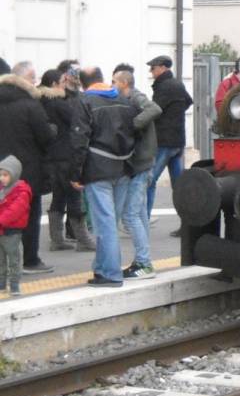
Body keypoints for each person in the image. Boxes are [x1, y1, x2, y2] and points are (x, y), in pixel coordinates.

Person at [70, 67, 141, 287]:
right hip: (123, 169)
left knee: (105, 225)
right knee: (110, 222)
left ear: (83, 84)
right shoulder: (124, 100)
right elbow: (135, 133)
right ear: (102, 79)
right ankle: (101, 269)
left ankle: (111, 274)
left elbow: (79, 140)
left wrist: (76, 174)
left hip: (97, 169)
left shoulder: (84, 102)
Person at [0, 63, 55, 275]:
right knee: (29, 213)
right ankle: (30, 260)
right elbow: (46, 137)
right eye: (34, 79)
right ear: (27, 79)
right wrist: (53, 128)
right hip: (27, 170)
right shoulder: (30, 105)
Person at [112, 66, 161, 278]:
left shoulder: (135, 96)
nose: (111, 85)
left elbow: (155, 109)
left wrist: (133, 125)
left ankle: (144, 263)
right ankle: (143, 260)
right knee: (139, 214)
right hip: (142, 164)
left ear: (124, 83)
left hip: (141, 165)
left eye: (114, 82)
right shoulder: (128, 100)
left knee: (130, 216)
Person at [39, 70, 96, 251]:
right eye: (63, 80)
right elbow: (77, 120)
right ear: (55, 84)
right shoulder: (59, 104)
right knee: (74, 196)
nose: (65, 83)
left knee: (58, 197)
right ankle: (83, 240)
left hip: (51, 157)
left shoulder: (41, 101)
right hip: (65, 156)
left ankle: (57, 240)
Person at [146, 55, 193, 220]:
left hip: (164, 141)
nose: (151, 71)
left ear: (162, 68)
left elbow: (155, 110)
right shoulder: (178, 84)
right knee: (179, 186)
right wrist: (175, 114)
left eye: (153, 68)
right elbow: (188, 101)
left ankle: (143, 219)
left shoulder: (164, 86)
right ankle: (188, 224)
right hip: (178, 141)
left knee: (149, 182)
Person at [0, 155, 31, 297]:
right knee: (0, 259)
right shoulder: (1, 189)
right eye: (0, 174)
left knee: (14, 258)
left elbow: (14, 211)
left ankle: (14, 284)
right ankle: (1, 282)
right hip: (1, 230)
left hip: (12, 231)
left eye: (5, 175)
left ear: (14, 174)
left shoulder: (22, 191)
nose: (2, 178)